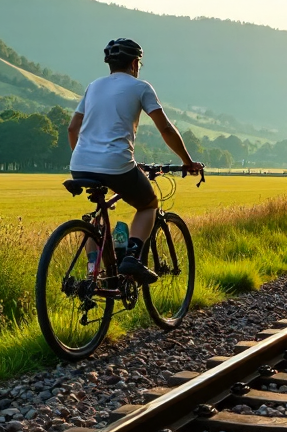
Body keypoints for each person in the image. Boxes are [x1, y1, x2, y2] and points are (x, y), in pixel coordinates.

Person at [67, 38, 203, 284]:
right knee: (148, 204)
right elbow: (166, 129)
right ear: (134, 63)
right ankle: (132, 257)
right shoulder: (141, 87)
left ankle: (93, 273)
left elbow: (72, 128)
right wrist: (187, 161)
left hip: (79, 163)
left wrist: (89, 158)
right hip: (116, 164)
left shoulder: (93, 86)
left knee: (100, 215)